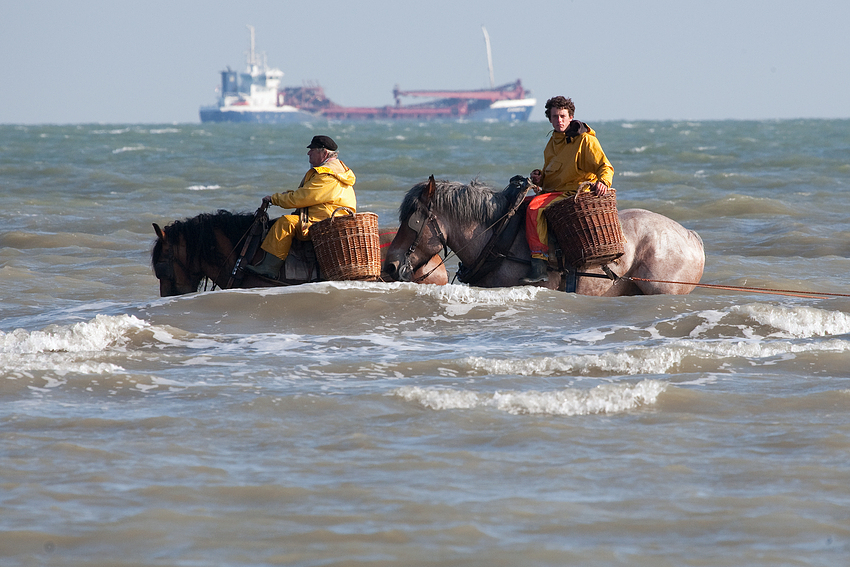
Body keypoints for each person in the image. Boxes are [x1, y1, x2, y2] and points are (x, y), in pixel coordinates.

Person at [520, 96, 614, 284]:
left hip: (575, 193)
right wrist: (541, 177)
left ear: (571, 117)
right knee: (521, 204)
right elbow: (554, 174)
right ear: (550, 119)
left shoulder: (585, 141)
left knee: (534, 208)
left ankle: (539, 266)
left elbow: (605, 166)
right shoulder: (552, 143)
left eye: (563, 116)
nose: (559, 120)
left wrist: (604, 181)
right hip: (554, 192)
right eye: (555, 116)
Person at [248, 135, 356, 278]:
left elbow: (301, 198)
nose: (308, 153)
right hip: (331, 219)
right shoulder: (338, 171)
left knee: (285, 223)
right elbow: (307, 194)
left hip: (323, 222)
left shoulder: (326, 175)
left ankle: (269, 269)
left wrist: (274, 199)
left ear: (323, 153)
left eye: (312, 150)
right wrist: (288, 194)